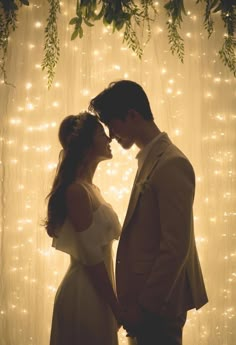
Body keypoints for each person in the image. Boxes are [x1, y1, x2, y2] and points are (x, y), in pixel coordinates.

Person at [89, 80, 208, 345]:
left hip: (157, 307)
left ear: (132, 115)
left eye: (112, 123)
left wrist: (145, 307)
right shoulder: (152, 158)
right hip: (145, 305)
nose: (110, 134)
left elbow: (175, 246)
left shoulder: (171, 163)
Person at [45, 112, 121, 345]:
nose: (110, 139)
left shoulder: (91, 188)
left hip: (98, 293)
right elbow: (92, 258)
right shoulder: (77, 192)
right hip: (85, 296)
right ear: (86, 144)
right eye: (101, 134)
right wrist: (117, 308)